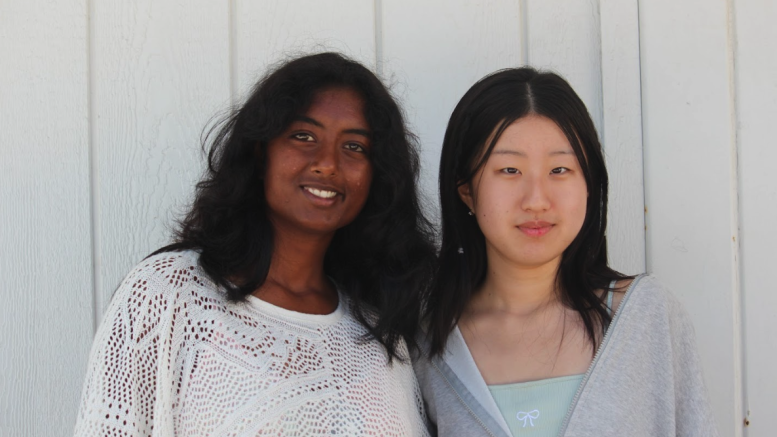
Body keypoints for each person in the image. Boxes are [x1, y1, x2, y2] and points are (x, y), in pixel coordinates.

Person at [74, 52, 435, 436]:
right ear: (261, 151)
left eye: (355, 147)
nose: (328, 163)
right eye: (303, 136)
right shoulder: (170, 293)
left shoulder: (380, 328)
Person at [413, 68, 717, 436]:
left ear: (589, 184)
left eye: (559, 169)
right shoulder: (430, 344)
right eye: (509, 170)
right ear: (466, 191)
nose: (536, 200)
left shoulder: (646, 317)